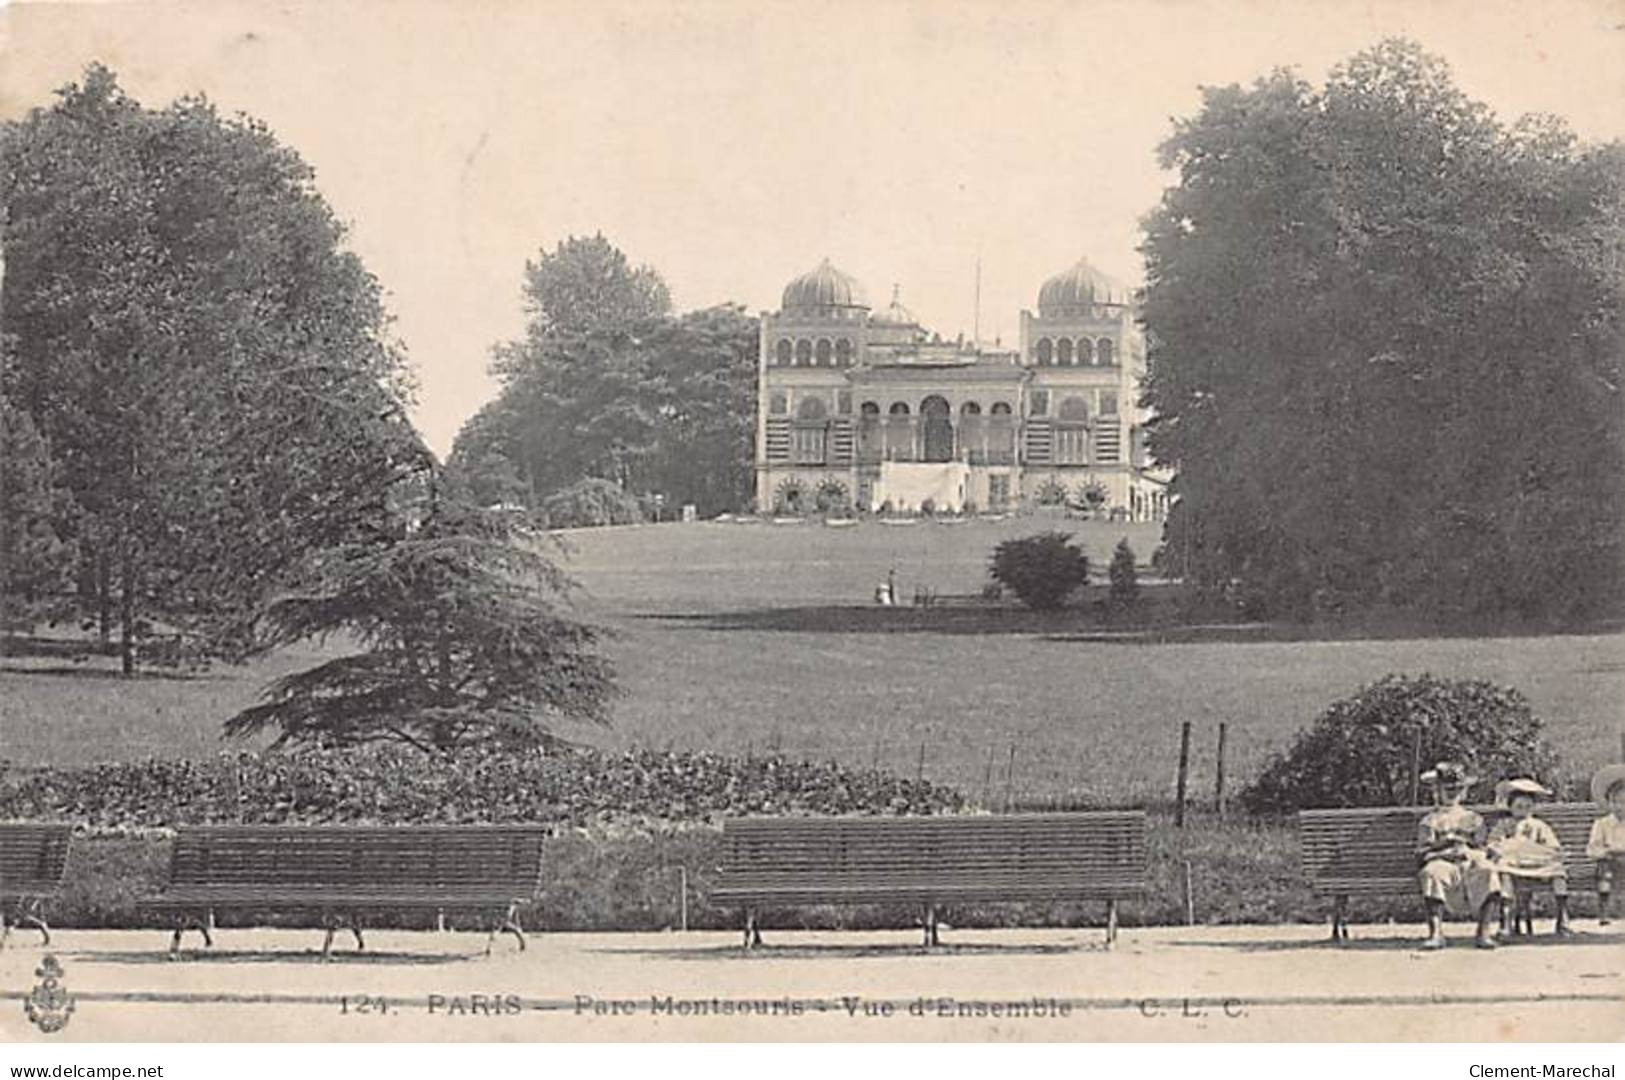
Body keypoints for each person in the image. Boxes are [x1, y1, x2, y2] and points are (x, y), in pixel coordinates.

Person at [1416, 761, 1502, 950]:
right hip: (1443, 860)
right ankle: (1436, 932)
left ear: (1463, 792)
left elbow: (1481, 844)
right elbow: (1422, 851)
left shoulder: (1472, 818)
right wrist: (1445, 842)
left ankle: (1484, 932)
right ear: (1436, 790)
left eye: (1456, 789)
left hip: (1469, 860)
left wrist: (1476, 845)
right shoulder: (1430, 820)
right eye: (1446, 789)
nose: (1451, 793)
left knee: (1488, 870)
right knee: (1432, 874)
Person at [1487, 777, 1571, 936]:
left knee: (1559, 872)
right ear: (1510, 807)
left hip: (1537, 865)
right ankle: (1505, 920)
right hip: (1513, 865)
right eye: (1519, 806)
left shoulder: (1538, 825)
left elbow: (1553, 846)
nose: (1523, 810)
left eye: (1527, 806)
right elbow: (1492, 844)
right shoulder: (1504, 825)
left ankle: (1562, 917)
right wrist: (1500, 847)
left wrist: (1544, 851)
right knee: (1504, 872)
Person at [1586, 764, 1625, 926]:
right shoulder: (1602, 824)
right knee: (1604, 871)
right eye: (1616, 802)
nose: (1621, 807)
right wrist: (1606, 851)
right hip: (1609, 861)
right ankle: (1604, 911)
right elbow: (1592, 849)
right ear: (1609, 803)